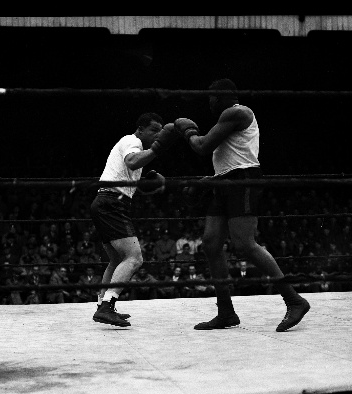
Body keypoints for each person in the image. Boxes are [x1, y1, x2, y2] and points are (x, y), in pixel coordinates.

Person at [174, 78, 310, 332]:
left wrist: (187, 131)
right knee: (211, 243)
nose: (210, 102)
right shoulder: (228, 118)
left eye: (212, 97)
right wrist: (207, 180)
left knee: (245, 243)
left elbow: (202, 146)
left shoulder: (237, 112)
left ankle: (294, 299)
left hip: (242, 180)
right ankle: (226, 312)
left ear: (223, 96)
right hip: (225, 181)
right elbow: (228, 157)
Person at [90, 112, 177, 326]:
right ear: (140, 129)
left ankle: (103, 304)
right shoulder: (132, 141)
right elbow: (131, 162)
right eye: (154, 130)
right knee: (135, 258)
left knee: (117, 260)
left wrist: (153, 185)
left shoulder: (138, 149)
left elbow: (133, 186)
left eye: (160, 131)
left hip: (106, 201)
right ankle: (106, 306)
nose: (157, 135)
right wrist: (157, 148)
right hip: (112, 203)